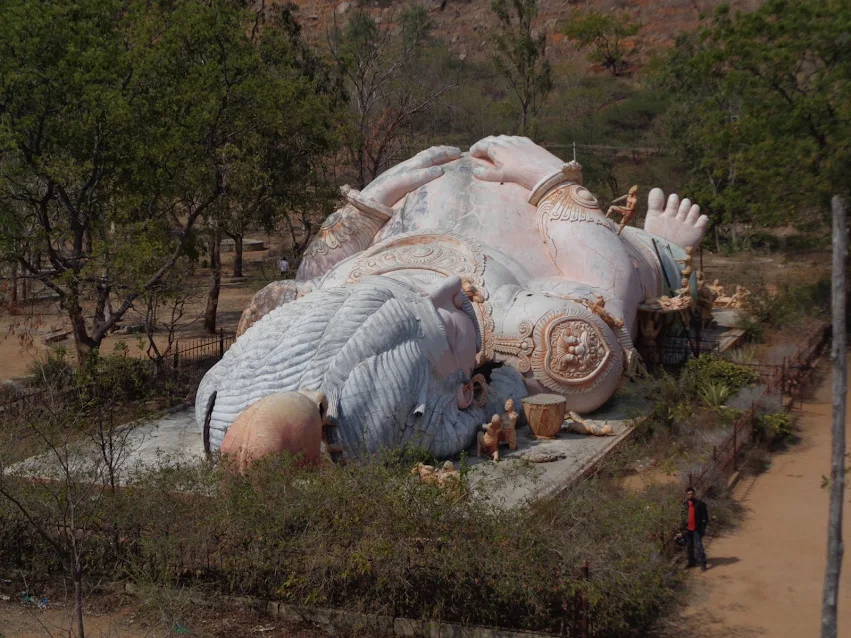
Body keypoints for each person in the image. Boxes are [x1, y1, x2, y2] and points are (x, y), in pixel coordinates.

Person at [681, 486, 709, 571]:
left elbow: (705, 517)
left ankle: (702, 563)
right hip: (688, 529)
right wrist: (682, 528)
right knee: (689, 546)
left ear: (694, 494)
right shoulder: (684, 505)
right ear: (686, 495)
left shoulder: (700, 504)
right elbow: (682, 517)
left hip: (696, 529)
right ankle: (691, 562)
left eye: (691, 494)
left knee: (698, 546)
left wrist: (703, 528)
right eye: (688, 494)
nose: (690, 495)